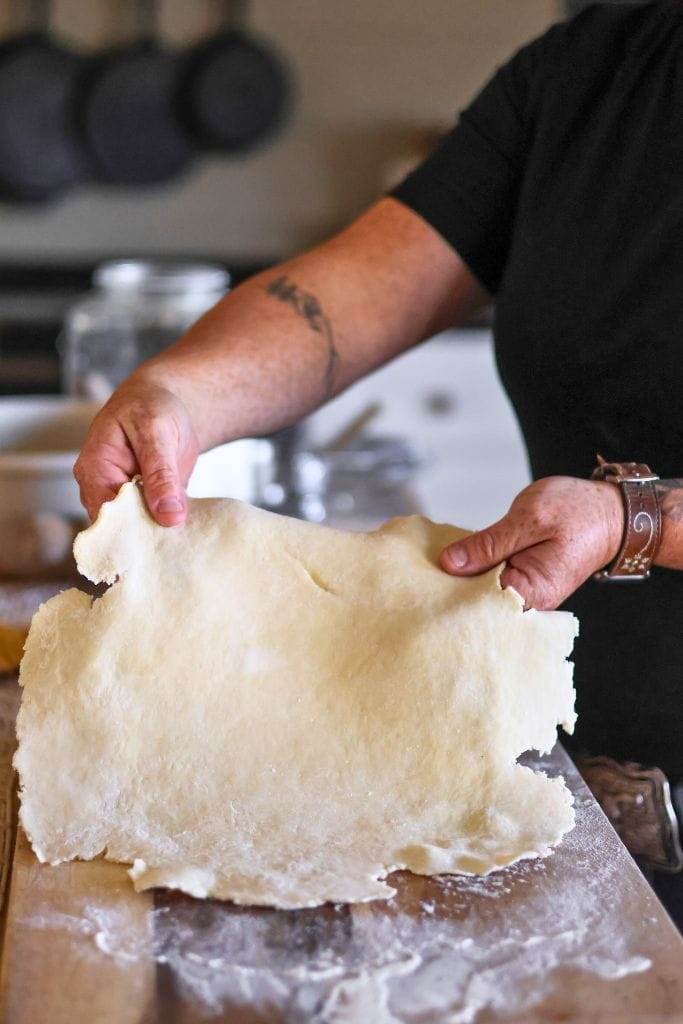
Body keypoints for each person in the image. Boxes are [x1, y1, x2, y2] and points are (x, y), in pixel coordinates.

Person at [75, 4, 682, 925]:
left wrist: (638, 519)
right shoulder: (601, 67)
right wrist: (181, 393)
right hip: (596, 799)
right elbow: (351, 291)